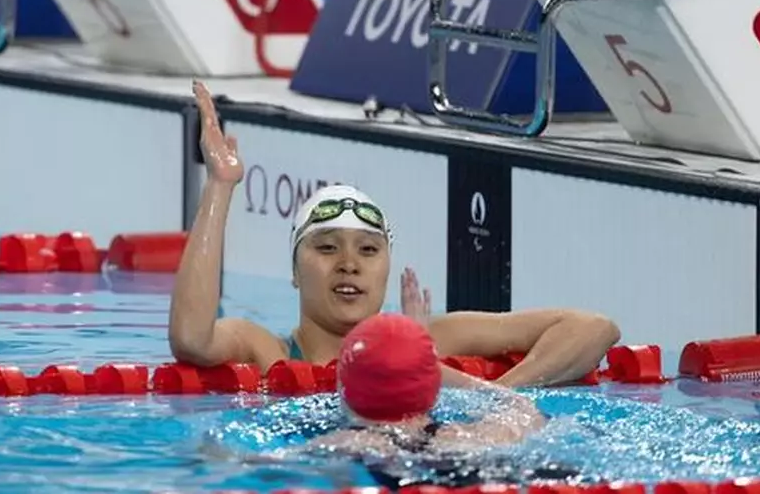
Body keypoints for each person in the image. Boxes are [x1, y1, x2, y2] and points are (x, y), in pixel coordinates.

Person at [169, 80, 622, 389]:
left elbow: (594, 329)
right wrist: (220, 185)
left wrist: (485, 394)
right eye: (327, 247)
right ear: (293, 270)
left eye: (368, 249)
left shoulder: (431, 338)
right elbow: (192, 340)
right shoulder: (268, 351)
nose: (349, 263)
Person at [302, 312, 580, 489]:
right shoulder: (475, 435)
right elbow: (522, 406)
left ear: (344, 386)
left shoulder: (348, 442)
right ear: (433, 388)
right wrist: (424, 362)